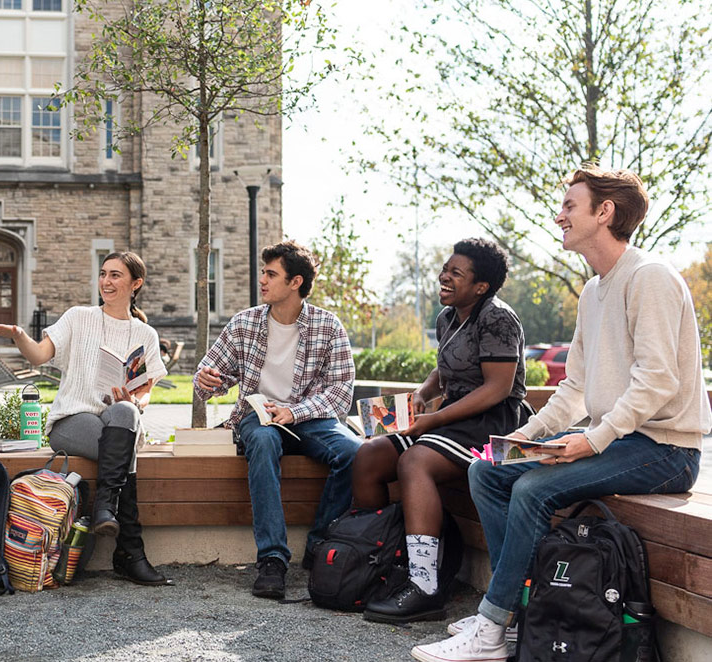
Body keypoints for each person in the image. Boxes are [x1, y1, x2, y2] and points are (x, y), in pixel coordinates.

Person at [412, 167, 710, 662]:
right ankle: (514, 607)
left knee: (533, 489)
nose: (559, 215)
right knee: (488, 470)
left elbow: (658, 381)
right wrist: (518, 440)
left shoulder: (649, 277)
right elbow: (572, 388)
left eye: (570, 206)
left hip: (666, 449)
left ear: (604, 212)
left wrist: (593, 439)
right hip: (617, 440)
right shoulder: (594, 291)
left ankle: (492, 628)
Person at [354, 238, 531, 624]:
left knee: (415, 461)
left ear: (480, 286)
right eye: (445, 269)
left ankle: (425, 587)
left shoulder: (497, 317)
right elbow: (445, 369)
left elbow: (498, 388)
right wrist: (422, 394)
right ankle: (382, 562)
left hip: (495, 426)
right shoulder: (447, 317)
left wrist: (434, 419)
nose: (444, 277)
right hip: (452, 419)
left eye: (456, 273)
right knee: (370, 456)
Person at [0, 251, 172, 586]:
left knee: (126, 413)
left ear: (136, 284)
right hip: (72, 419)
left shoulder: (145, 335)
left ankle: (107, 512)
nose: (106, 281)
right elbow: (40, 355)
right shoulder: (79, 317)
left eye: (116, 275)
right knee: (121, 446)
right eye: (103, 274)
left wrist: (135, 400)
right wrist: (19, 336)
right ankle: (131, 550)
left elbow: (146, 391)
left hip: (117, 418)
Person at [194, 240, 361, 600]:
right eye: (264, 273)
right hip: (258, 415)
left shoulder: (328, 326)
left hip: (309, 418)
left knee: (354, 453)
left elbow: (340, 393)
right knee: (264, 440)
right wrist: (207, 380)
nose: (263, 281)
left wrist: (294, 411)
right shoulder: (245, 323)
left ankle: (319, 546)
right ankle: (272, 559)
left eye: (271, 274)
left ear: (295, 282)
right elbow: (209, 376)